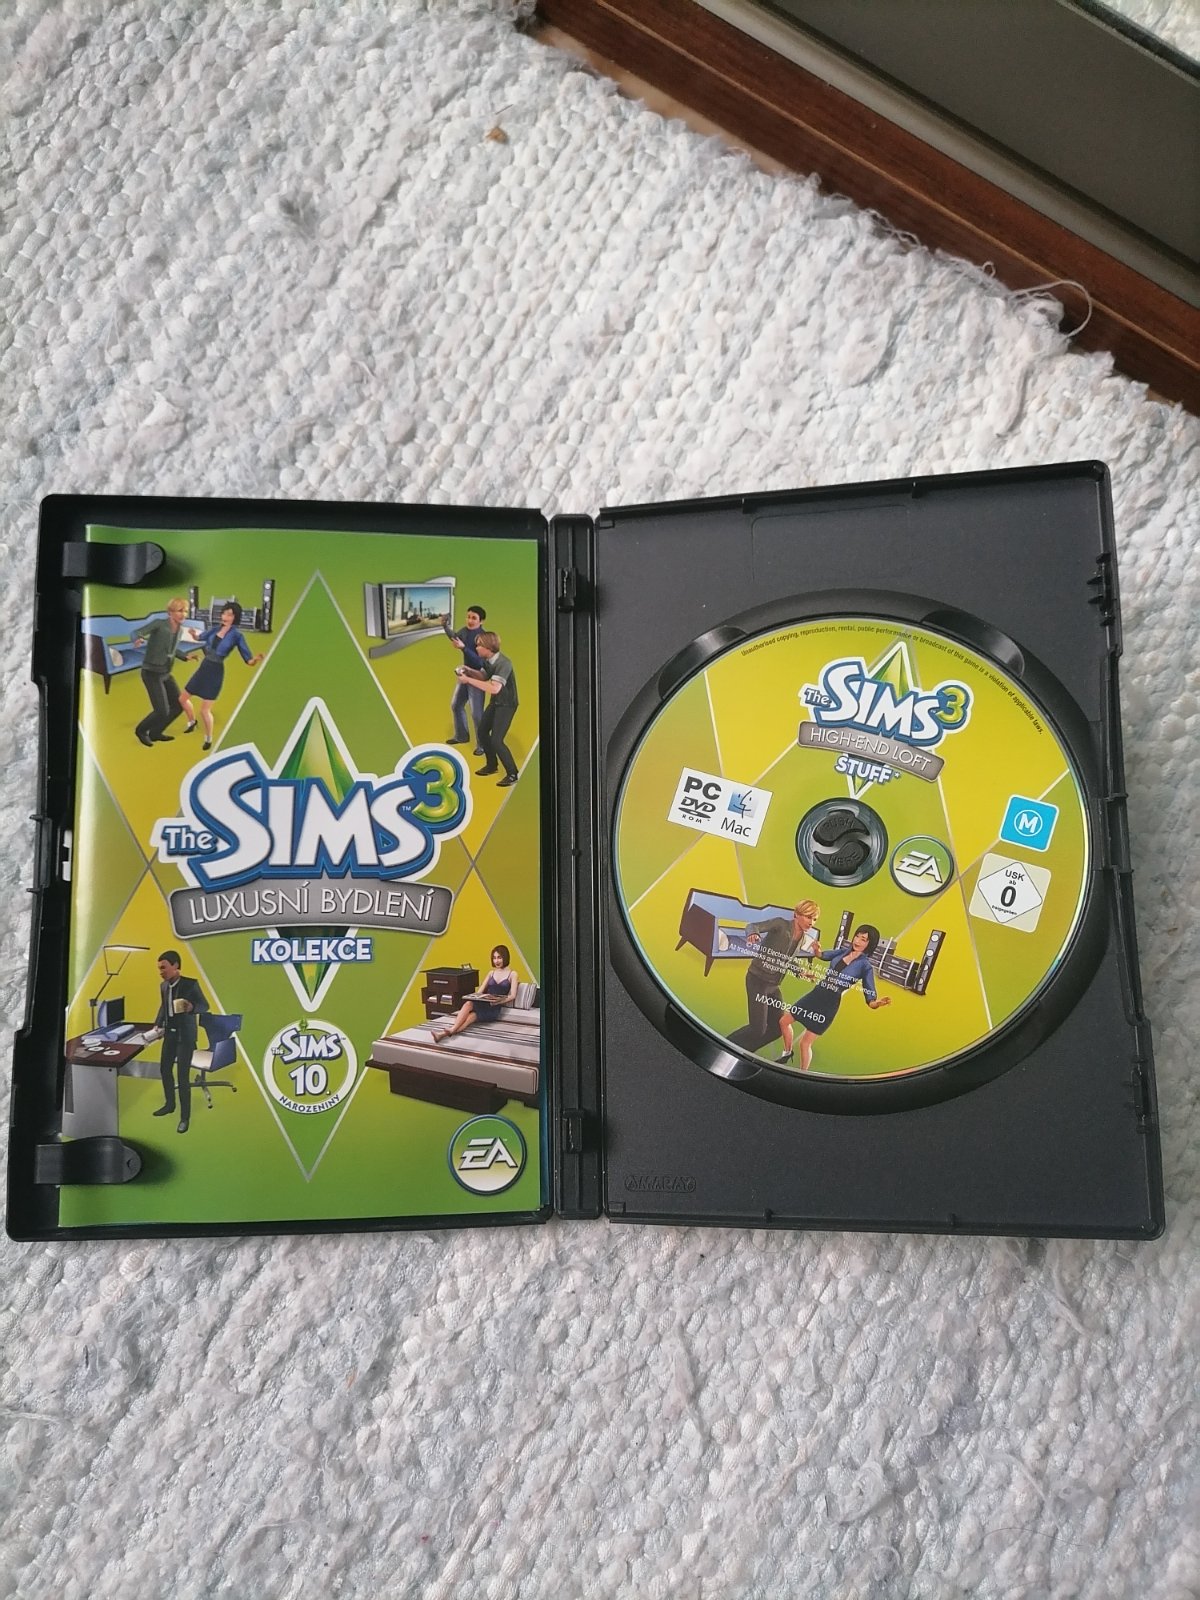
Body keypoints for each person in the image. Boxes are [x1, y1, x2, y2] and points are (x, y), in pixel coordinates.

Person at [782, 923, 891, 1071]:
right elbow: (823, 955)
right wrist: (816, 949)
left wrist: (876, 1003)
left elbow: (869, 992)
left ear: (869, 945)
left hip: (830, 1002)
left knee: (805, 1043)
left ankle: (803, 1074)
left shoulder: (865, 966)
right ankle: (787, 1053)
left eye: (863, 939)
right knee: (784, 1021)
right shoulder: (842, 952)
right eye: (857, 936)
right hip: (817, 994)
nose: (857, 941)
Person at [728, 900, 823, 1056]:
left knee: (777, 1028)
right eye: (808, 917)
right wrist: (753, 933)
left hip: (773, 985)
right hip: (758, 980)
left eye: (815, 919)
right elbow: (753, 926)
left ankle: (744, 1052)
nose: (811, 922)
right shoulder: (780, 924)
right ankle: (726, 1043)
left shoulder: (802, 938)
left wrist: (801, 972)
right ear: (796, 914)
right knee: (757, 1029)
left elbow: (788, 958)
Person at [179, 602, 264, 751]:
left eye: (229, 614)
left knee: (204, 710)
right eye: (224, 613)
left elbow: (248, 660)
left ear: (235, 617)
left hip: (215, 671)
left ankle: (208, 739)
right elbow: (200, 637)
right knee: (182, 699)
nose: (225, 617)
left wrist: (255, 659)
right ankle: (192, 722)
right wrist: (193, 634)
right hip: (204, 668)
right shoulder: (215, 629)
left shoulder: (237, 636)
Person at [145, 949, 207, 1133]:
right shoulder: (163, 986)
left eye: (163, 967)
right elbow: (163, 1007)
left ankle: (184, 1118)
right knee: (165, 1069)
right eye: (159, 968)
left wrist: (192, 1007)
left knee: (182, 1076)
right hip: (170, 1034)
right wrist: (157, 1024)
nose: (161, 971)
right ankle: (170, 1104)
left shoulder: (190, 984)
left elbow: (205, 1005)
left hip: (185, 1036)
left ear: (175, 966)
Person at [460, 630, 519, 787]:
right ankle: (492, 765)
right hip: (496, 702)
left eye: (479, 645)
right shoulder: (487, 660)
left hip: (507, 704)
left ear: (488, 647)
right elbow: (483, 676)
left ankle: (512, 773)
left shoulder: (504, 663)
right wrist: (469, 671)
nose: (476, 648)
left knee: (497, 740)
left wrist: (468, 680)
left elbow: (494, 688)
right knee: (482, 732)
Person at [132, 597, 191, 746]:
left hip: (165, 672)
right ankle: (141, 730)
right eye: (180, 611)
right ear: (170, 612)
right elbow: (137, 632)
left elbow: (171, 649)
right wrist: (137, 639)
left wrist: (185, 656)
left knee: (178, 705)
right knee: (161, 711)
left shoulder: (179, 630)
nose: (183, 614)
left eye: (185, 611)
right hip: (152, 673)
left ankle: (155, 733)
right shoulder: (159, 624)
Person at [432, 944, 519, 1043]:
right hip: (484, 1002)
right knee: (468, 1003)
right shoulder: (491, 973)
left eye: (499, 957)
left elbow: (512, 995)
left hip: (494, 1008)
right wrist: (475, 996)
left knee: (470, 1018)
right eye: (494, 958)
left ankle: (445, 1032)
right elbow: (480, 991)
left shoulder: (513, 974)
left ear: (505, 957)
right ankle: (444, 1033)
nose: (496, 961)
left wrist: (498, 1001)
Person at [443, 604, 488, 754]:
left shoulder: (483, 637)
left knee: (476, 713)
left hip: (478, 676)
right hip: (465, 674)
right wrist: (445, 626)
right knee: (456, 705)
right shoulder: (464, 631)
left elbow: (479, 662)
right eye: (468, 617)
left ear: (481, 621)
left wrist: (463, 648)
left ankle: (482, 745)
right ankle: (461, 736)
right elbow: (454, 637)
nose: (470, 620)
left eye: (474, 618)